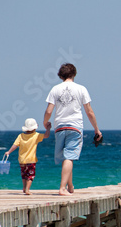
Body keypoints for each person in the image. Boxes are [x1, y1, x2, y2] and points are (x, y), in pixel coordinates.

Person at [43, 63, 102, 196]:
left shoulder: (55, 89)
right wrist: (96, 129)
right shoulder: (81, 89)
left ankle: (70, 186)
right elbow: (89, 112)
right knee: (70, 156)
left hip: (59, 127)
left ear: (61, 75)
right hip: (75, 126)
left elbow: (49, 110)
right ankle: (62, 188)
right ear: (74, 74)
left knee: (66, 157)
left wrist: (45, 122)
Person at [5, 118, 51, 195]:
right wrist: (48, 128)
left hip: (22, 160)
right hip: (31, 160)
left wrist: (9, 152)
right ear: (35, 127)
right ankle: (27, 189)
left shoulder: (21, 136)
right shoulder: (36, 135)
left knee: (24, 174)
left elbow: (15, 145)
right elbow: (46, 135)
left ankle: (24, 187)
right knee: (31, 175)